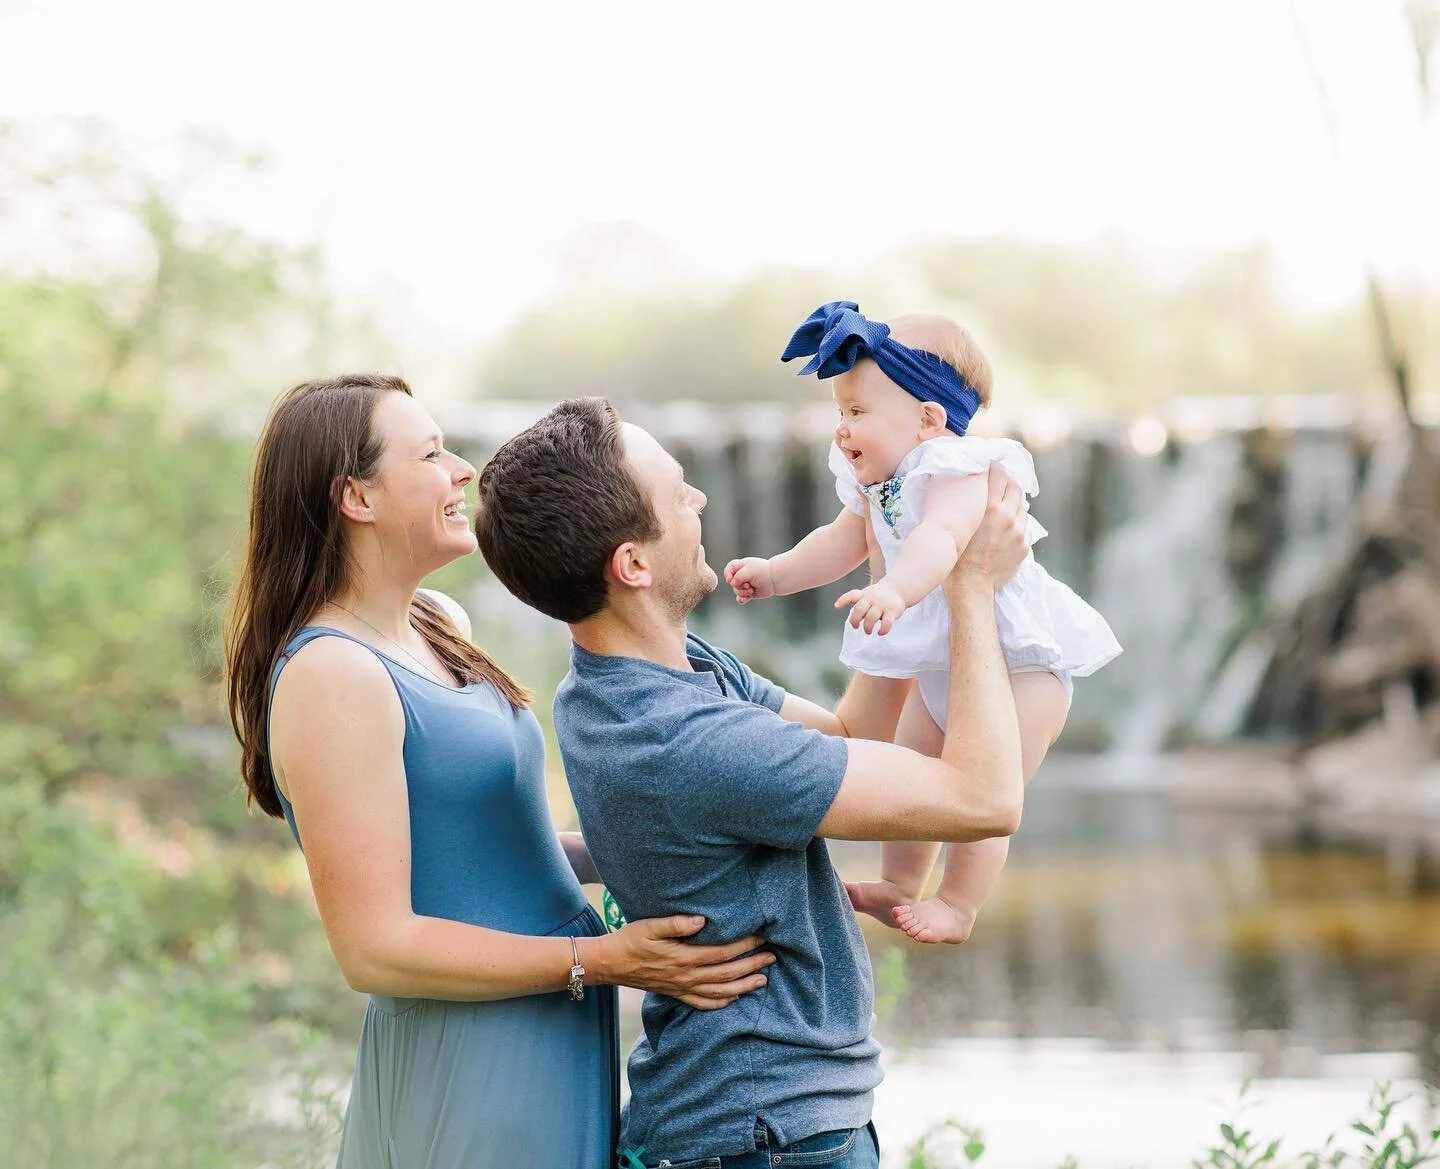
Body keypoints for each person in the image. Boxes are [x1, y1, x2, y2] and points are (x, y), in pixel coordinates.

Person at [222, 373, 776, 1169]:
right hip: (474, 1053)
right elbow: (375, 947)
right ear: (357, 496)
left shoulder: (438, 624)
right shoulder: (330, 674)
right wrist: (601, 960)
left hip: (555, 1030)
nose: (462, 472)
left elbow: (480, 842)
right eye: (432, 454)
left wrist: (685, 843)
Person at [473, 395, 1029, 1169]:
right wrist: (969, 590)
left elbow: (847, 738)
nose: (699, 498)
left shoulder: (642, 676)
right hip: (767, 1135)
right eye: (678, 493)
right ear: (632, 562)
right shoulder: (691, 741)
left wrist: (896, 564)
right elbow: (984, 798)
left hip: (740, 1119)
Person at [725, 301, 1121, 944]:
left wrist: (900, 590)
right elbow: (837, 543)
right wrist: (774, 573)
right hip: (947, 666)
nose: (842, 429)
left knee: (987, 800)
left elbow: (942, 538)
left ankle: (959, 904)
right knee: (913, 778)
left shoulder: (956, 468)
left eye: (857, 412)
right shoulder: (878, 481)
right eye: (839, 413)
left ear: (928, 419)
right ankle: (901, 883)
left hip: (1018, 670)